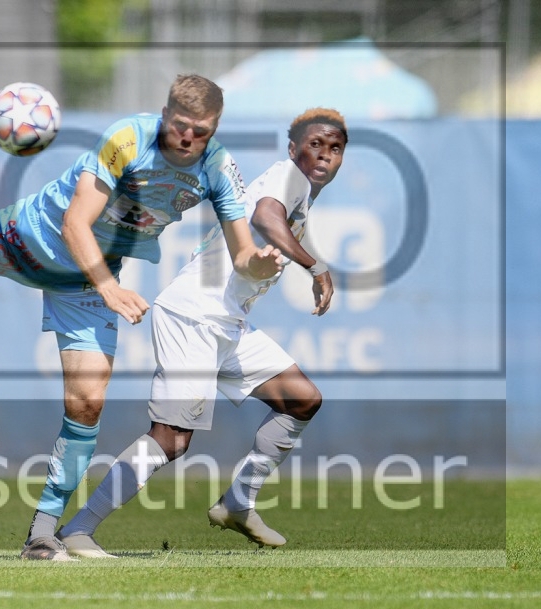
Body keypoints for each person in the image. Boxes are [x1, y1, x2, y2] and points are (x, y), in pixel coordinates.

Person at [0, 74, 283, 561]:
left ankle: (41, 534)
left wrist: (257, 264)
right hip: (24, 239)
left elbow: (242, 253)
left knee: (86, 403)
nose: (188, 138)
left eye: (200, 131)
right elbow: (74, 222)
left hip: (82, 286)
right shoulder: (128, 139)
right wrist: (109, 287)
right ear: (165, 114)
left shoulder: (218, 168)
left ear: (215, 128)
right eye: (180, 125)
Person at [56, 108, 347, 558]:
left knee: (301, 400)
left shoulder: (300, 194)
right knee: (171, 439)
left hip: (227, 321)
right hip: (195, 316)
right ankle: (78, 530)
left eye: (335, 148)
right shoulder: (288, 177)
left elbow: (276, 223)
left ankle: (237, 504)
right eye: (315, 145)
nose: (325, 155)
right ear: (294, 150)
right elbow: (266, 217)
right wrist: (316, 267)